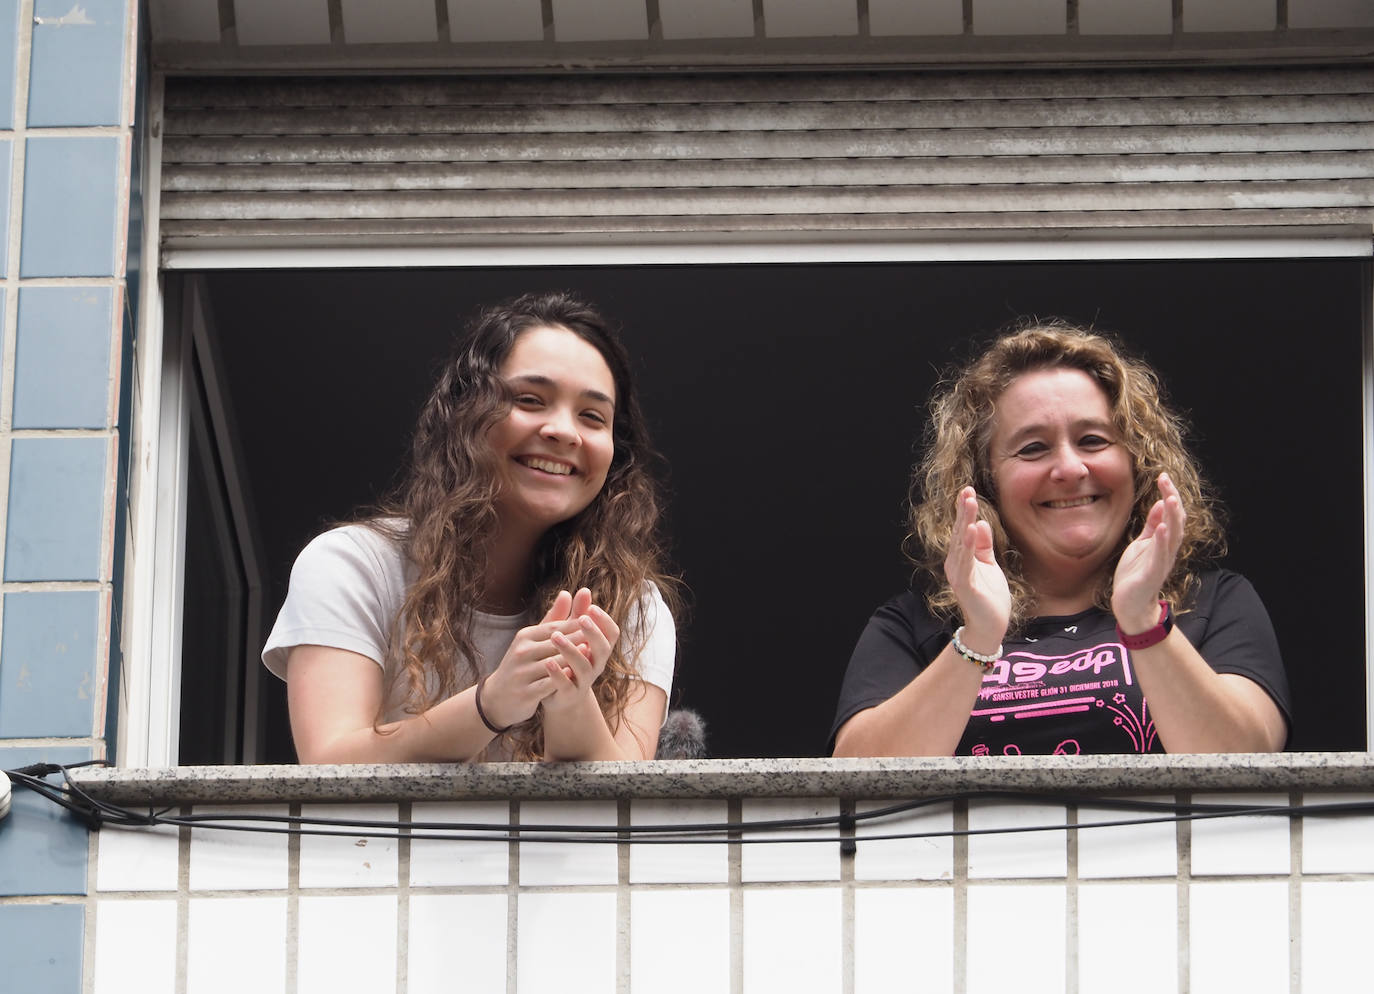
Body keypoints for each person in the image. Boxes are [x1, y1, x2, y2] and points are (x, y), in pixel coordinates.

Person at [831, 321, 1289, 757]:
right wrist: (979, 638)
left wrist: (1143, 621)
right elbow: (855, 783)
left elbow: (1249, 761)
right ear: (986, 481)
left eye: (1093, 440)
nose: (1070, 469)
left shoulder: (1212, 603)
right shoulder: (916, 625)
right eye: (1033, 448)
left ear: (1137, 461)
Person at [262, 292, 678, 763]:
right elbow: (330, 763)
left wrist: (570, 699)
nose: (564, 431)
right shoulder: (352, 564)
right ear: (464, 415)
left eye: (592, 416)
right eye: (529, 399)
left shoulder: (632, 607)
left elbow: (624, 816)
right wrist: (491, 703)